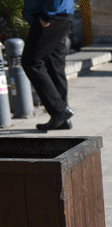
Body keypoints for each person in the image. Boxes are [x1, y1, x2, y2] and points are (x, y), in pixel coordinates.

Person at [21, 0, 74, 131]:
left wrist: (46, 14)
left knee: (31, 62)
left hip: (50, 17)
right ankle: (62, 120)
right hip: (60, 16)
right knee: (54, 65)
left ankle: (60, 111)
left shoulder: (48, 14)